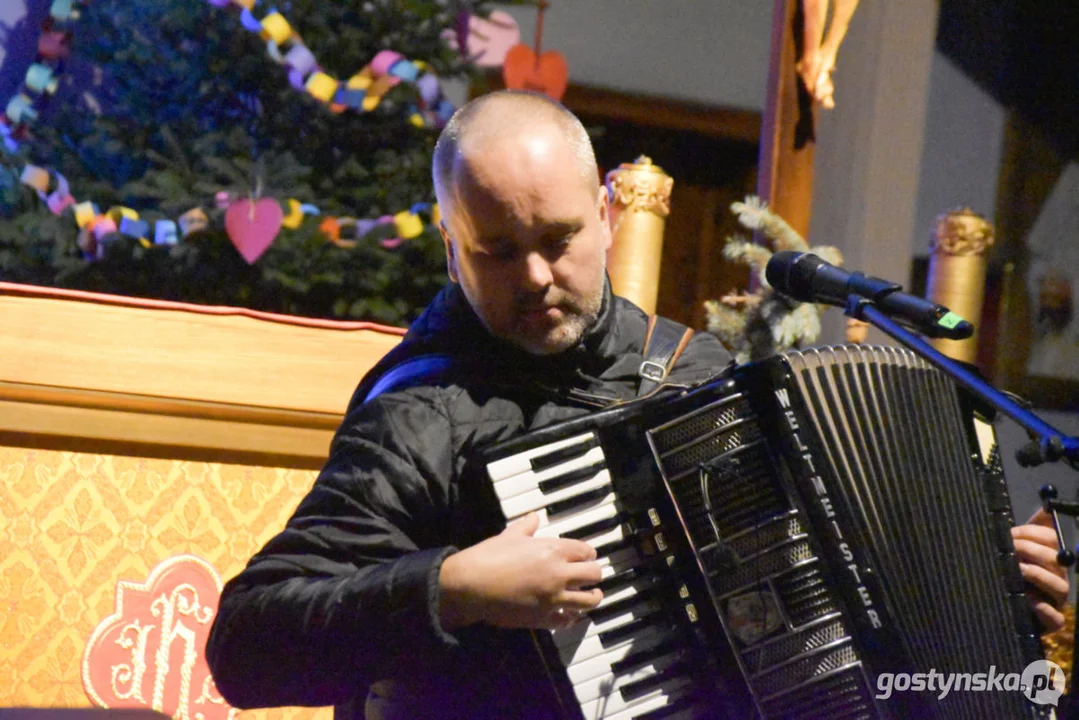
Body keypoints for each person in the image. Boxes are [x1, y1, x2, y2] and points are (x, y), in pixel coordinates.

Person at [206, 90, 1069, 720]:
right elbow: (246, 648)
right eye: (497, 250)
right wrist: (452, 585)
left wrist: (985, 581)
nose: (537, 277)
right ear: (449, 244)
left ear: (608, 216)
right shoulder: (423, 411)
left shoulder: (694, 370)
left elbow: (825, 577)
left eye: (558, 240)